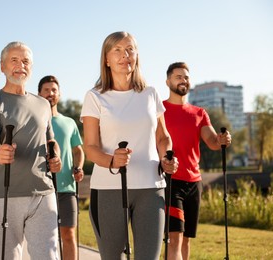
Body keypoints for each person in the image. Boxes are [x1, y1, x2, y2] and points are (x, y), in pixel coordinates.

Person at [80, 31, 179, 259]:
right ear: (106, 59)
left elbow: (163, 137)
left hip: (151, 188)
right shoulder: (95, 97)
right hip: (109, 189)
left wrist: (166, 158)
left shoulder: (150, 93)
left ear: (137, 55)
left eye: (130, 49)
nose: (125, 55)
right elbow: (91, 147)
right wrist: (112, 160)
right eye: (117, 50)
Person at [0, 41, 62, 260]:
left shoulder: (43, 104)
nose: (20, 65)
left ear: (31, 68)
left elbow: (50, 140)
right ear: (2, 66)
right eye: (14, 60)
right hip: (1, 196)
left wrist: (56, 155)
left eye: (25, 61)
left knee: (48, 257)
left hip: (43, 192)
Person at [163, 62, 232, 260]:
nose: (183, 80)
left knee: (186, 238)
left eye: (186, 77)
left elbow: (212, 142)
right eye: (178, 77)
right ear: (168, 81)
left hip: (194, 182)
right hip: (170, 180)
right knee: (174, 236)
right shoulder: (160, 110)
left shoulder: (199, 113)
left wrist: (222, 140)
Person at [38, 75, 85, 260]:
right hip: (41, 188)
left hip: (67, 188)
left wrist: (78, 167)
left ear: (59, 94)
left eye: (54, 90)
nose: (50, 93)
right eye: (46, 90)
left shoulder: (69, 122)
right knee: (46, 238)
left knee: (68, 235)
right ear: (39, 94)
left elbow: (78, 151)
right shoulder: (34, 122)